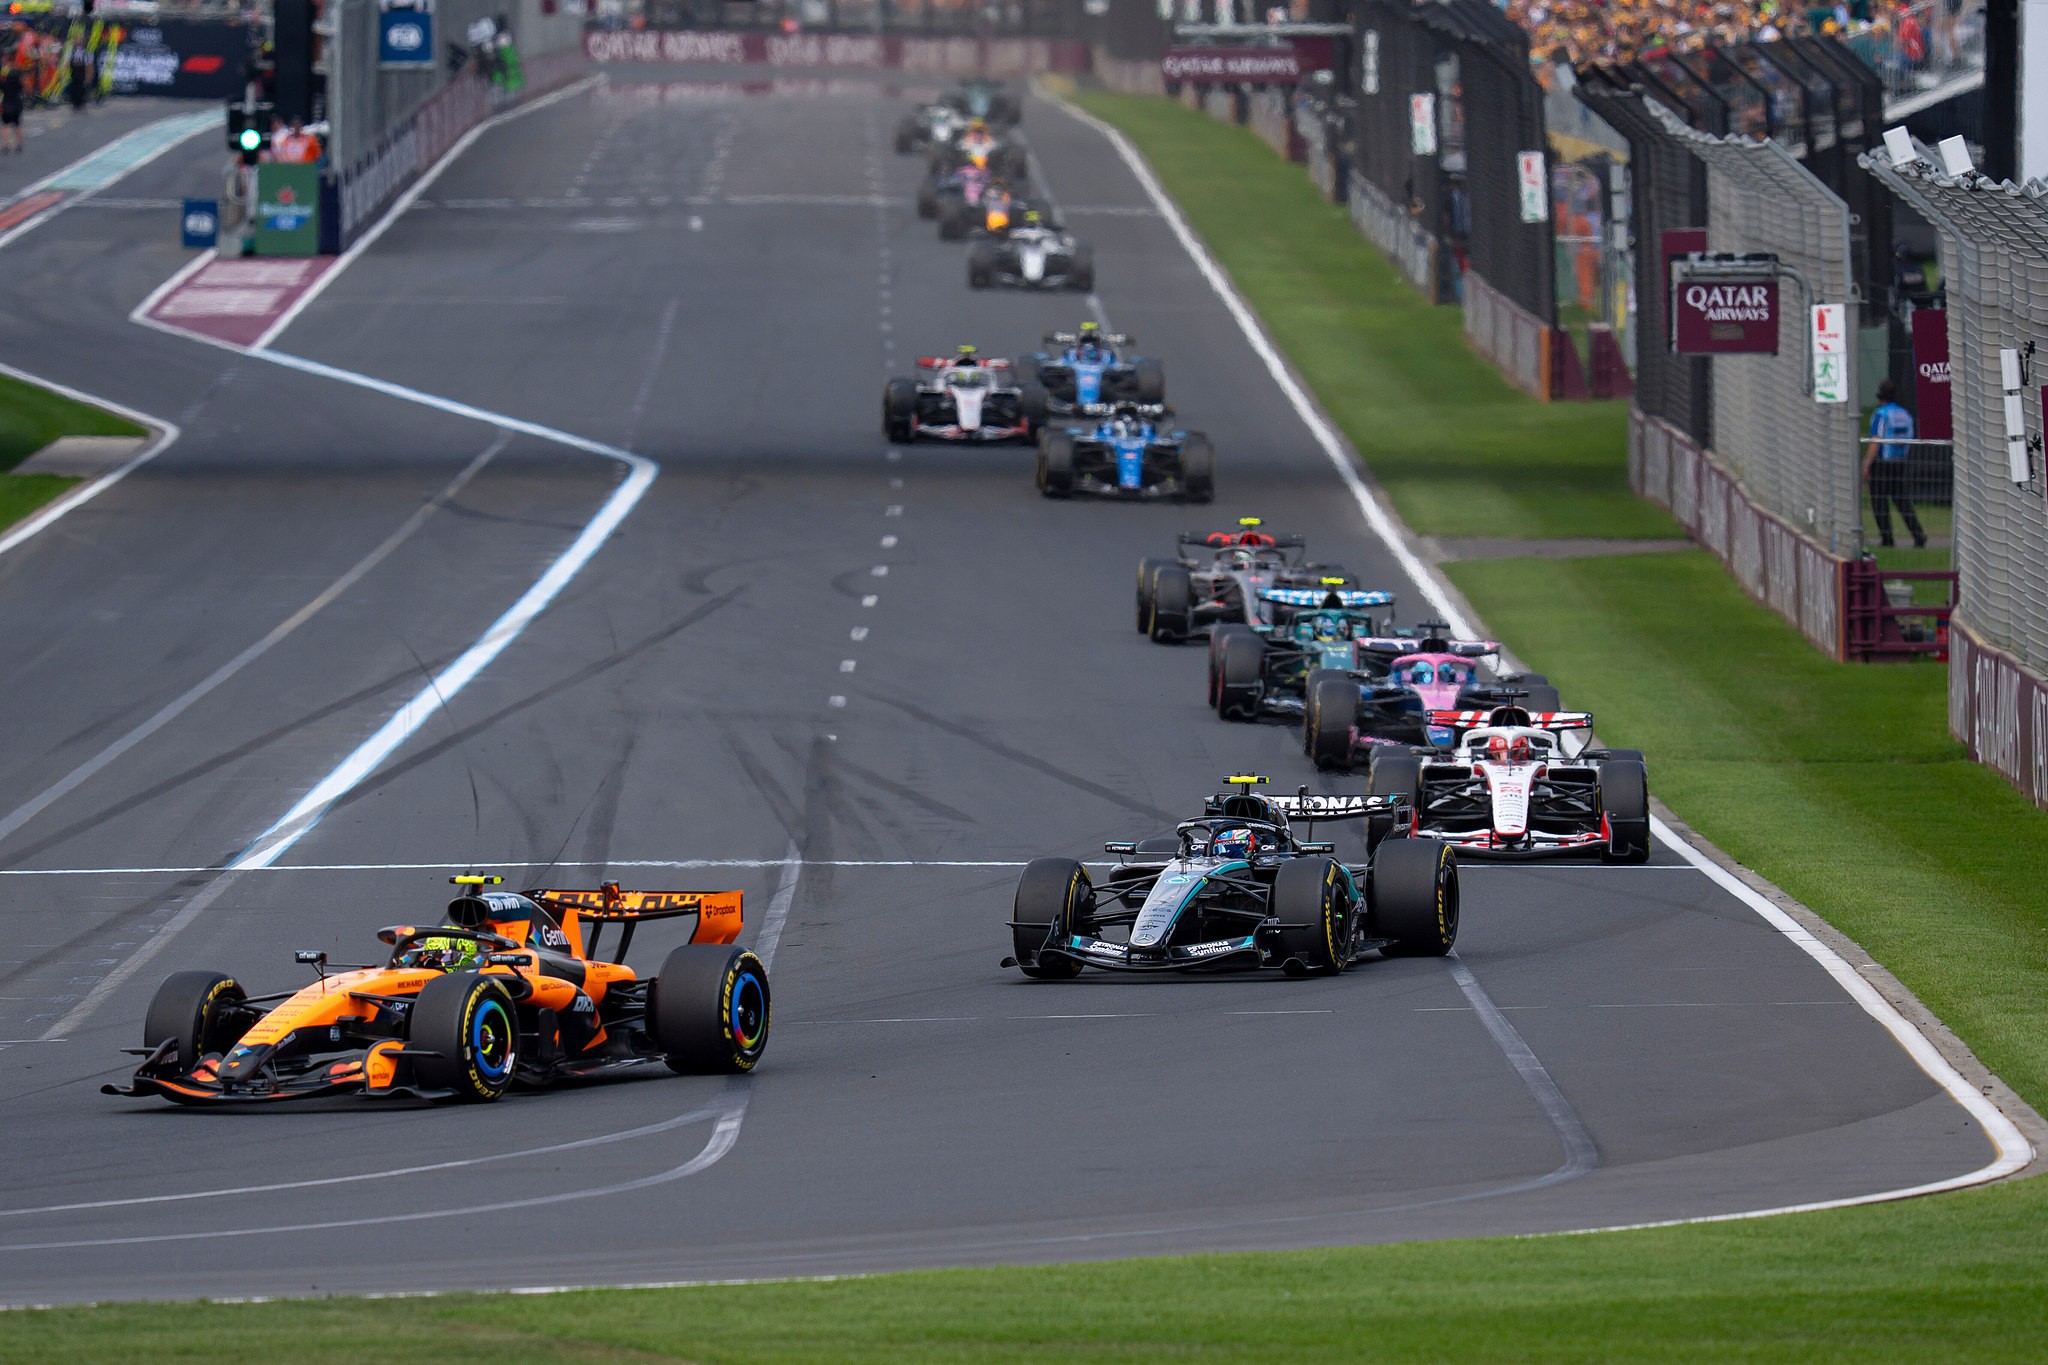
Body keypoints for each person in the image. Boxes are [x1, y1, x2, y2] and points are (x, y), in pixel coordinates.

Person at [1863, 379, 1926, 549]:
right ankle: (1918, 534)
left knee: (1879, 501)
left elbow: (1876, 440)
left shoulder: (1880, 414)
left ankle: (1887, 538)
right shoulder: (1904, 414)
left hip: (1882, 463)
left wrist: (1867, 464)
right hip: (1899, 461)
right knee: (1902, 500)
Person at [1, 60, 22, 154]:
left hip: (6, 105)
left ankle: (6, 145)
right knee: (17, 125)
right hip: (16, 105)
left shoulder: (4, 84)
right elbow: (22, 91)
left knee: (6, 126)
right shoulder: (18, 84)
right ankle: (18, 145)